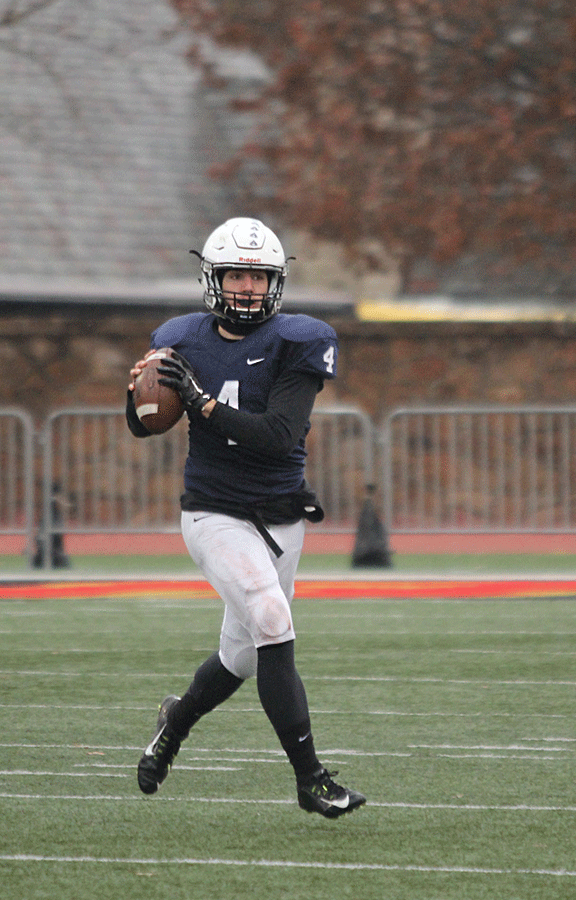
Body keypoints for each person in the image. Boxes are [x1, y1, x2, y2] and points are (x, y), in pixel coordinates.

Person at [126, 217, 366, 819]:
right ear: (213, 278)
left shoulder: (300, 340)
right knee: (269, 614)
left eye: (258, 276)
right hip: (213, 513)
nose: (247, 287)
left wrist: (202, 403)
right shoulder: (181, 338)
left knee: (242, 654)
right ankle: (311, 780)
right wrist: (140, 395)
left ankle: (173, 723)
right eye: (236, 273)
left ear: (275, 283)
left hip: (280, 515)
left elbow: (278, 436)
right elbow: (140, 421)